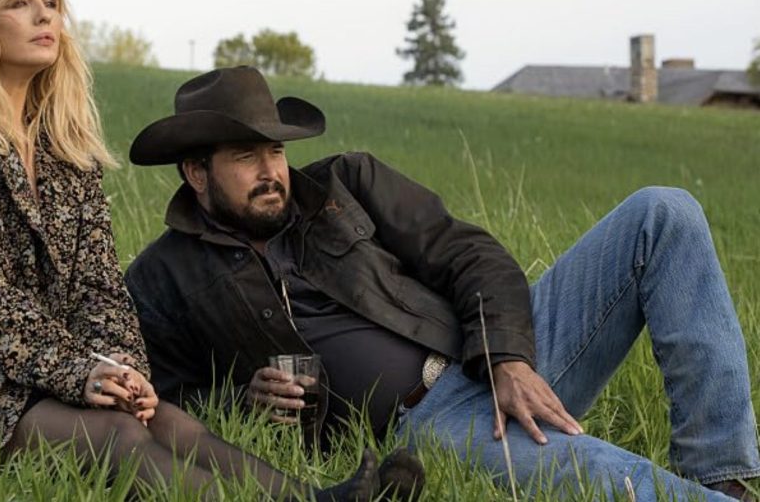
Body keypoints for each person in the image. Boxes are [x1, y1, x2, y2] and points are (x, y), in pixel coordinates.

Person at [0, 0, 423, 501]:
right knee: (117, 434)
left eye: (52, 2)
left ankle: (324, 497)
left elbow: (101, 287)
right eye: (19, 3)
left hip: (48, 368)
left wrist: (122, 369)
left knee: (172, 423)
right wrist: (81, 371)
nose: (44, 17)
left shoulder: (66, 146)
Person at [124, 65, 760, 501]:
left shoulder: (346, 184)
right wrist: (245, 399)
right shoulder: (163, 276)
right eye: (244, 157)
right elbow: (168, 398)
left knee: (663, 212)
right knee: (593, 469)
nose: (270, 172)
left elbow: (470, 254)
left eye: (275, 152)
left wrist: (508, 357)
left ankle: (721, 475)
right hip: (428, 423)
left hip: (489, 358)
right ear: (196, 172)